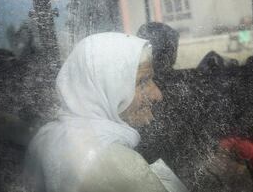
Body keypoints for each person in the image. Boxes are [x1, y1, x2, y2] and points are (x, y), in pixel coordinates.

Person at [25, 33, 188, 192]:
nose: (157, 95)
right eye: (142, 81)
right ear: (108, 85)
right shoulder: (116, 161)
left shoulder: (44, 137)